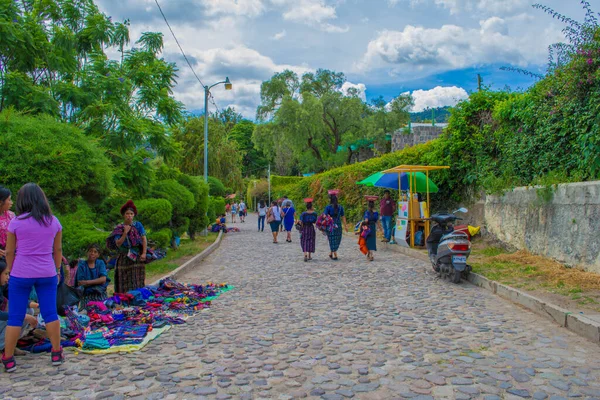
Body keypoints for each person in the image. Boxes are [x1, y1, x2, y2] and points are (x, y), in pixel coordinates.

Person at [3, 183, 64, 372]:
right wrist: (57, 269)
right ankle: (56, 352)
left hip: (21, 273)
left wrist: (11, 270)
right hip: (47, 272)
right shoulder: (53, 221)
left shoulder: (16, 223)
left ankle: (8, 358)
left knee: (15, 316)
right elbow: (58, 250)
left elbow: (10, 251)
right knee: (50, 313)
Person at [106, 200, 148, 294]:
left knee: (137, 277)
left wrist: (144, 253)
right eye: (127, 214)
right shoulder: (119, 228)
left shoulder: (138, 225)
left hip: (136, 256)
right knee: (124, 279)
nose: (129, 216)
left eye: (131, 214)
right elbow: (118, 243)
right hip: (124, 256)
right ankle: (125, 298)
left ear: (134, 215)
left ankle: (137, 297)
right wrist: (125, 232)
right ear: (123, 215)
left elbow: (144, 239)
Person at [0, 259, 38, 357]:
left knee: (29, 311)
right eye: (5, 274)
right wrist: (22, 316)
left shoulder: (3, 287)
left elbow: (15, 298)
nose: (8, 277)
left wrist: (32, 304)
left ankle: (9, 346)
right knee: (17, 318)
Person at [324, 190, 348, 260]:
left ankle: (333, 253)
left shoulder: (328, 207)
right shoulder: (340, 207)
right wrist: (345, 226)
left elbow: (324, 216)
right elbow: (343, 216)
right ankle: (334, 253)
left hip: (330, 225)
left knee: (331, 239)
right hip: (338, 225)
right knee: (337, 239)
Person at [364, 196, 383, 262]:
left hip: (367, 228)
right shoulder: (376, 213)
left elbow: (366, 220)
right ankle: (370, 254)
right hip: (373, 227)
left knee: (368, 241)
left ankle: (370, 254)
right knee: (372, 241)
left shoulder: (367, 212)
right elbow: (377, 221)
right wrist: (381, 229)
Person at [0, 186, 15, 259]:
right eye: (9, 200)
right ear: (0, 202)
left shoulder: (11, 216)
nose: (11, 203)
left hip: (9, 252)